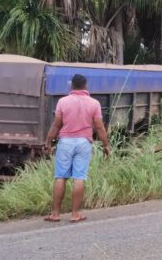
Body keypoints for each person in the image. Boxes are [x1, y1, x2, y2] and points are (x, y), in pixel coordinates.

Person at [43, 74, 110, 223]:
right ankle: (75, 214)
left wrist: (48, 142)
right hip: (84, 142)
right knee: (79, 177)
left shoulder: (62, 102)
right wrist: (106, 145)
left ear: (71, 86)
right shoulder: (94, 103)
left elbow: (56, 125)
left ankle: (55, 214)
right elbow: (99, 127)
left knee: (60, 176)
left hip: (65, 142)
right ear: (86, 86)